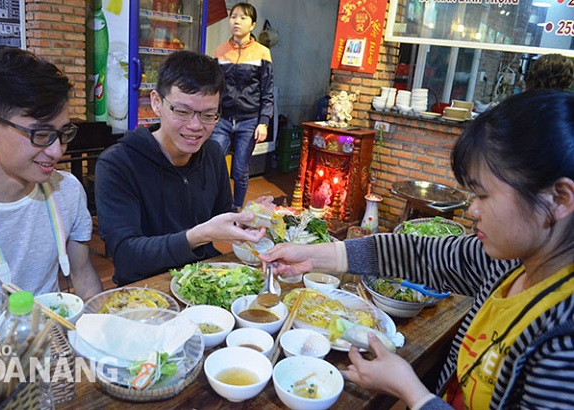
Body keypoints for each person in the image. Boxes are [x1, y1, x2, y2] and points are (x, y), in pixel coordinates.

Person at [261, 90, 574, 409]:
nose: (472, 211)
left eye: (483, 196)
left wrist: (414, 393)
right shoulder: (511, 262)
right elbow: (420, 254)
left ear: (559, 198)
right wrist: (316, 255)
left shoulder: (562, 337)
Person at [95, 51, 266, 286]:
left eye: (208, 115)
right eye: (183, 112)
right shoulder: (118, 164)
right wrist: (199, 235)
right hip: (148, 288)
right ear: (156, 102)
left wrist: (249, 219)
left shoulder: (214, 153)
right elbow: (127, 257)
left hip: (202, 279)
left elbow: (219, 219)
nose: (195, 126)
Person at [0, 48, 103, 313]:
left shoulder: (67, 191)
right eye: (40, 134)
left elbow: (82, 276)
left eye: (63, 133)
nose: (57, 151)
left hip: (51, 342)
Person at [210, 2, 274, 211]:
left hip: (249, 120)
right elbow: (213, 87)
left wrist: (263, 122)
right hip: (223, 119)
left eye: (243, 17)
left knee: (239, 169)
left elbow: (267, 90)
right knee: (213, 163)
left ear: (253, 24)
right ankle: (215, 205)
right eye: (233, 16)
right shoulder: (221, 50)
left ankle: (236, 208)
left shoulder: (262, 52)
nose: (236, 21)